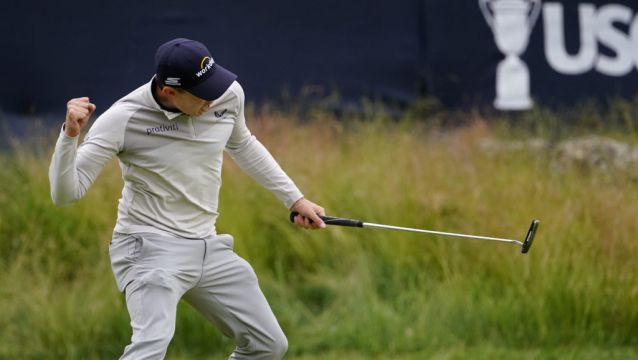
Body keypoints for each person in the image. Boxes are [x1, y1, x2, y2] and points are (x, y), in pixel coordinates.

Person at [49, 37, 325, 360]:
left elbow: (243, 144)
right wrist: (70, 137)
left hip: (207, 247)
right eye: (202, 93)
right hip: (148, 248)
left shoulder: (227, 96)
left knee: (268, 344)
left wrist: (294, 199)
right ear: (169, 91)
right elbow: (65, 193)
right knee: (150, 347)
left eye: (215, 85)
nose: (213, 99)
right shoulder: (123, 118)